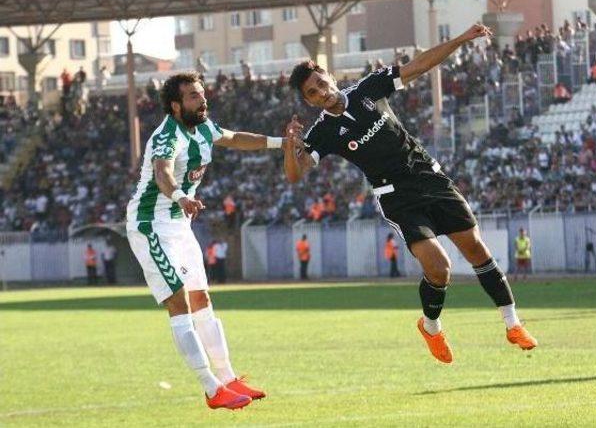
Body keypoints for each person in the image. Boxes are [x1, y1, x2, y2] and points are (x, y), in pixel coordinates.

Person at [283, 23, 537, 366]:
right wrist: (291, 146)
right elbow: (296, 174)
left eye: (321, 84)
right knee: (439, 267)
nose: (321, 93)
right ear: (309, 101)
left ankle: (513, 324)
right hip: (396, 196)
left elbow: (419, 65)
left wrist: (461, 39)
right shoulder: (323, 132)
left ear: (329, 76)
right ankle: (431, 327)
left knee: (476, 249)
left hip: (430, 178)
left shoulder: (368, 88)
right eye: (312, 93)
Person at [125, 71, 286, 410]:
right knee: (180, 303)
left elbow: (235, 138)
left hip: (179, 225)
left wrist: (280, 142)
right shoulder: (166, 135)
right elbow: (163, 173)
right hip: (150, 225)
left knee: (202, 300)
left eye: (202, 94)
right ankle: (211, 388)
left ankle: (228, 378)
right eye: (194, 97)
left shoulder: (203, 128)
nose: (203, 100)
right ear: (176, 104)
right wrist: (182, 196)